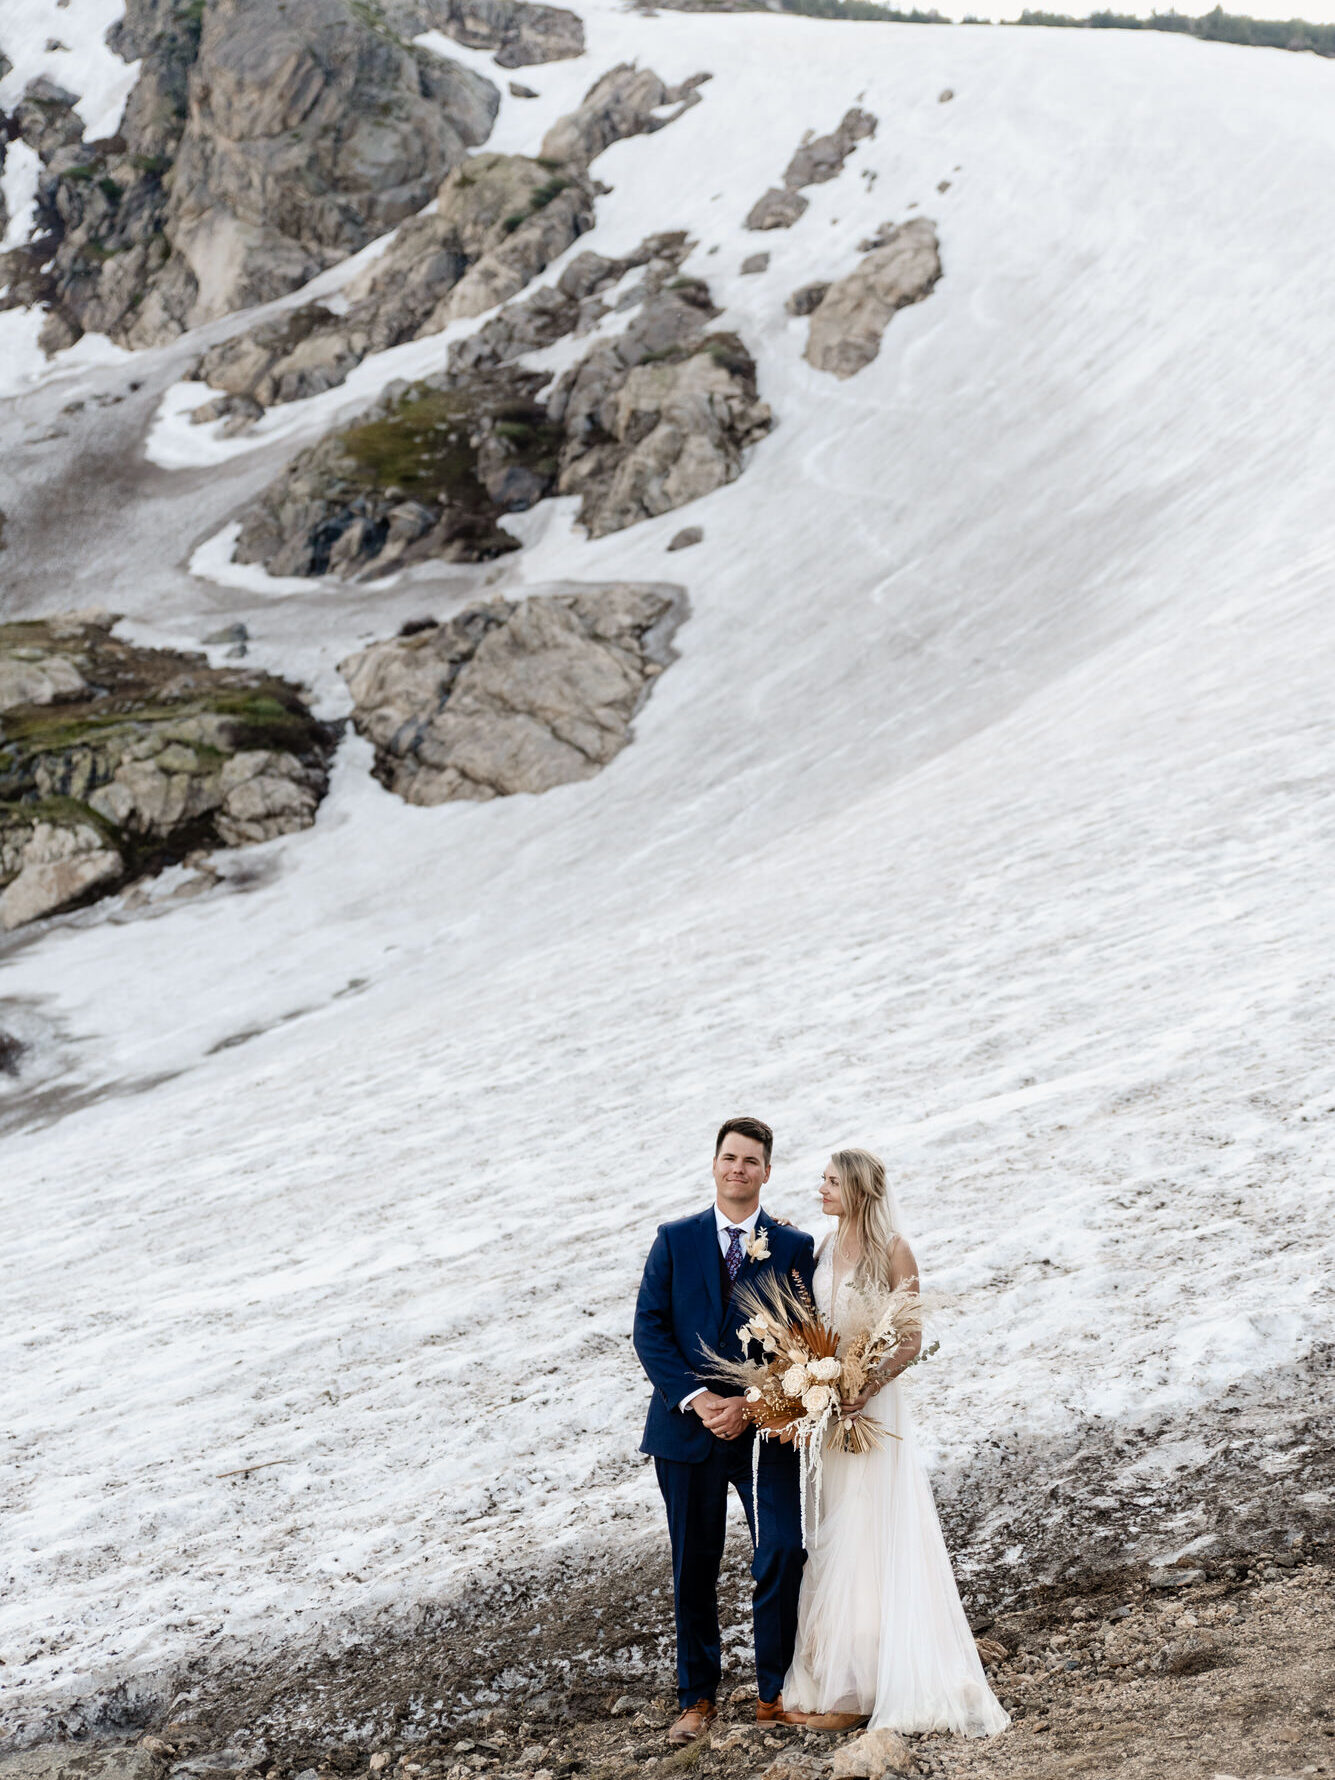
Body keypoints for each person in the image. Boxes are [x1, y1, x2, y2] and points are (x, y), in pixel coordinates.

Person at [782, 1148, 1009, 1737]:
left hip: (870, 1408)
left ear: (857, 1189)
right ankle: (839, 1665)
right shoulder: (824, 1247)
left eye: (830, 1182)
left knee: (868, 1526)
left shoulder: (893, 1250)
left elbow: (910, 1337)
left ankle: (867, 1683)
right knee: (831, 1526)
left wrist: (866, 1384)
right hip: (829, 1411)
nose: (821, 1190)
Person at [633, 1116, 817, 1746]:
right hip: (686, 1433)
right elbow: (649, 1330)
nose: (739, 1169)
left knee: (783, 1550)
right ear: (714, 1164)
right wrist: (698, 1397)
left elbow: (803, 1339)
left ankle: (776, 1690)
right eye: (729, 1158)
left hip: (766, 1432)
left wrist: (753, 1402)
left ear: (767, 1172)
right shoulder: (674, 1239)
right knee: (695, 1564)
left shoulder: (792, 1246)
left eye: (751, 1161)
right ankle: (697, 1699)